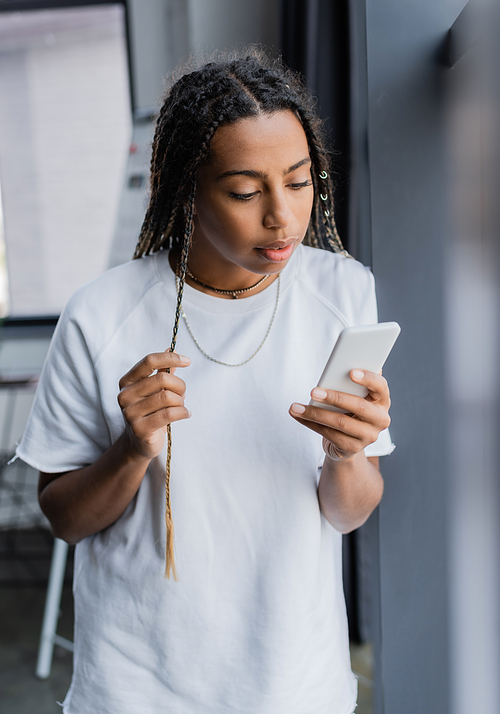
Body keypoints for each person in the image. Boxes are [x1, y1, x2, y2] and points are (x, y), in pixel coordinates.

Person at [17, 48, 394, 714]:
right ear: (186, 188)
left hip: (295, 686)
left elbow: (347, 510)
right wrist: (131, 450)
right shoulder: (103, 314)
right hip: (137, 690)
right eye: (246, 191)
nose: (281, 217)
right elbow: (65, 518)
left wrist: (348, 453)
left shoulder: (343, 292)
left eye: (300, 182)